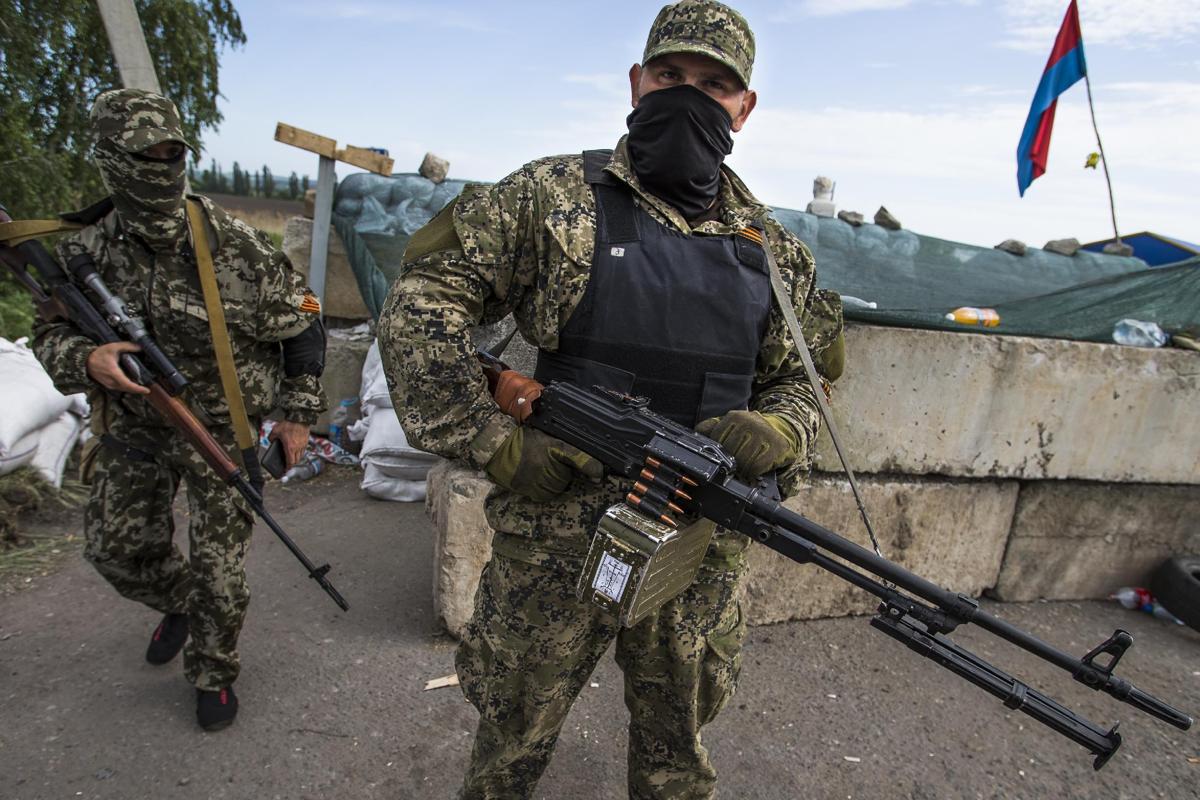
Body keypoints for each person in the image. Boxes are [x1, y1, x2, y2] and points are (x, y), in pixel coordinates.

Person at [379, 1, 844, 796]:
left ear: (745, 107)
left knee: (677, 748)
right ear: (636, 83)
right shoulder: (552, 198)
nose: (690, 97)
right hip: (556, 532)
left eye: (714, 83)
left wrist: (781, 427)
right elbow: (423, 299)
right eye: (671, 76)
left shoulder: (773, 251)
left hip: (694, 539)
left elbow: (803, 378)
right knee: (512, 733)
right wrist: (492, 440)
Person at [31, 88, 327, 732]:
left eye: (173, 154)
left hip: (223, 431)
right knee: (115, 551)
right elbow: (47, 331)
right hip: (135, 424)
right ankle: (182, 603)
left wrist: (300, 413)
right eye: (147, 156)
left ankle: (213, 671)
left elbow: (305, 321)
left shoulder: (238, 246)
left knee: (222, 572)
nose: (163, 169)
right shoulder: (87, 252)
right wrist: (87, 361)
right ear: (111, 160)